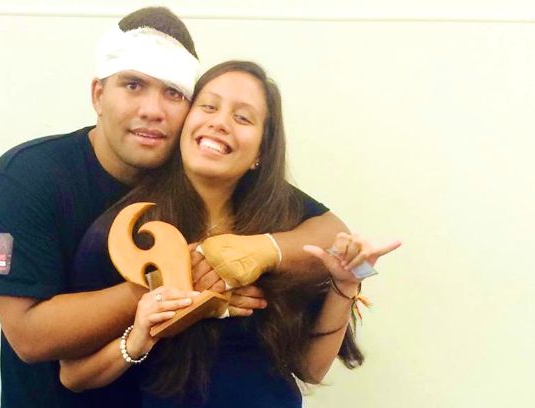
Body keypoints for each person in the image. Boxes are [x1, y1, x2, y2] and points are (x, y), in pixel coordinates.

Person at [0, 7, 348, 408]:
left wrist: (262, 251)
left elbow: (332, 232)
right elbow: (29, 337)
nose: (153, 110)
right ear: (98, 94)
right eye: (133, 85)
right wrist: (175, 281)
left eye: (173, 92)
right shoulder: (28, 177)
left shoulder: (205, 168)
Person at [59, 61, 401, 407]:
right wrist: (140, 338)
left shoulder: (284, 221)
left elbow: (311, 369)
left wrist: (345, 284)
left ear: (261, 152)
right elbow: (73, 376)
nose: (220, 123)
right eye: (208, 107)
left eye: (242, 118)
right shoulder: (127, 232)